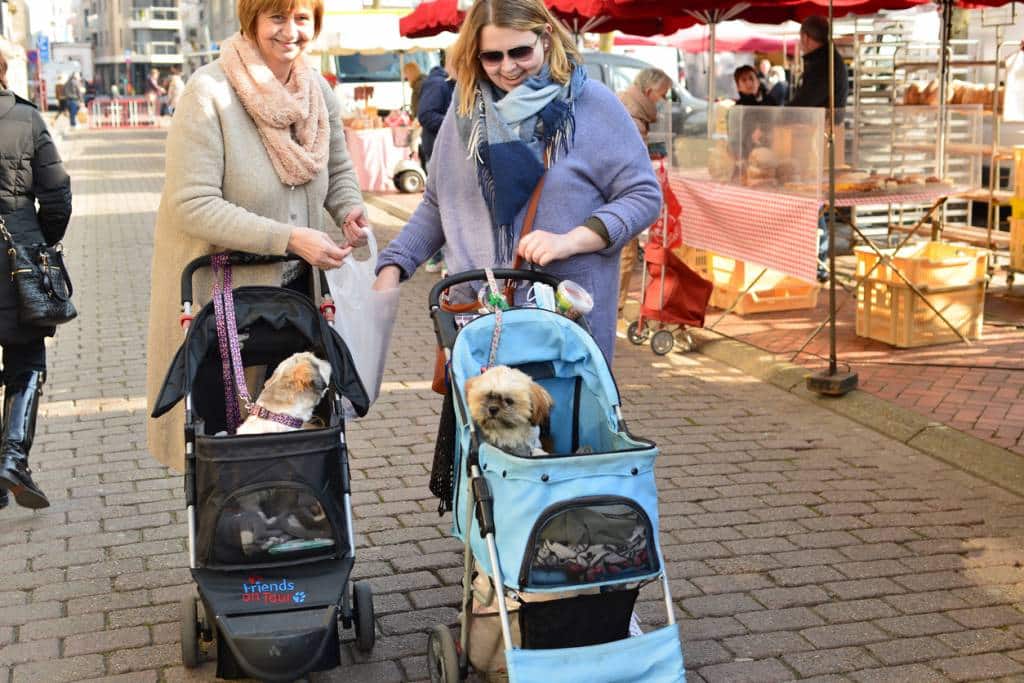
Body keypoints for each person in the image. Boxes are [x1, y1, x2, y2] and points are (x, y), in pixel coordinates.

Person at [145, 0, 369, 472]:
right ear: (252, 21)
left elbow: (338, 168)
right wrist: (289, 238)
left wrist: (348, 209)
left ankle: (289, 527)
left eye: (303, 18)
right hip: (221, 298)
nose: (291, 31)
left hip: (294, 297)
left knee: (295, 430)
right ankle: (231, 534)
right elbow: (192, 204)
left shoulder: (317, 92)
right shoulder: (210, 92)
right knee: (225, 438)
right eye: (277, 18)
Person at [372, 0, 660, 362]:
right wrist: (395, 264)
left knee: (558, 419)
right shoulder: (464, 113)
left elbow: (644, 195)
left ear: (546, 37)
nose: (507, 68)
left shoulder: (591, 105)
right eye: (491, 57)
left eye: (520, 51)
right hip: (477, 326)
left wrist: (572, 239)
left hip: (561, 327)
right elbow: (437, 202)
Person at [0, 53, 73, 509]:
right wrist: (40, 240)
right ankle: (12, 458)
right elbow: (58, 193)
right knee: (26, 359)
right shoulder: (25, 118)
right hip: (16, 261)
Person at [789, 15, 849, 283]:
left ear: (806, 38)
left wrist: (780, 114)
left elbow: (806, 102)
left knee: (813, 200)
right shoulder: (826, 60)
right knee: (814, 201)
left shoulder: (823, 63)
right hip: (821, 135)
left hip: (820, 137)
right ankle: (813, 261)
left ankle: (816, 264)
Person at [615, 67, 671, 317]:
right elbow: (630, 166)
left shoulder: (621, 103)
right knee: (625, 253)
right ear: (649, 92)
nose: (663, 100)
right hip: (621, 195)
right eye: (663, 94)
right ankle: (614, 308)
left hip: (609, 194)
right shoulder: (634, 120)